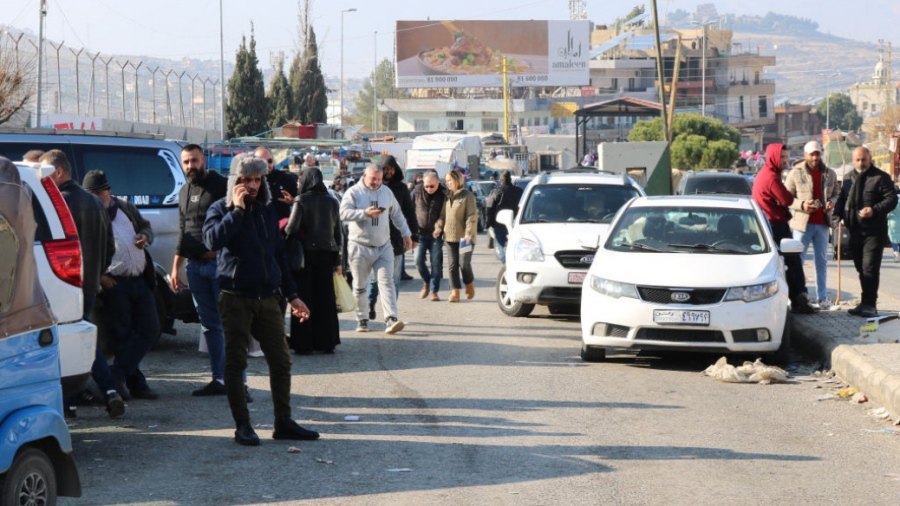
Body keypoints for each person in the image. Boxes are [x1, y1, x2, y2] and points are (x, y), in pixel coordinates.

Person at [203, 154, 318, 446]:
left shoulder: (267, 211)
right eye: (246, 180)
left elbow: (278, 256)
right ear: (235, 182)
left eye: (257, 179)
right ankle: (243, 424)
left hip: (268, 298)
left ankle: (283, 421)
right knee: (236, 361)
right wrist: (237, 212)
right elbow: (212, 241)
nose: (252, 185)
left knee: (281, 361)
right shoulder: (220, 209)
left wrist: (293, 296)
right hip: (235, 298)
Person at [39, 150, 120, 418]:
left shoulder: (55, 204)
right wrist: (97, 272)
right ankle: (106, 391)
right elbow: (110, 248)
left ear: (58, 172)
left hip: (62, 286)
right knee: (81, 340)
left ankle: (75, 399)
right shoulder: (96, 203)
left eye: (44, 171)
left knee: (70, 343)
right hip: (88, 286)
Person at [83, 170, 160, 402]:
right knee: (121, 335)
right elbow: (84, 253)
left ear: (109, 190)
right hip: (115, 283)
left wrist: (144, 237)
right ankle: (136, 384)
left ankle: (117, 375)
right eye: (93, 194)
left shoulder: (125, 207)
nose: (98, 197)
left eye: (101, 192)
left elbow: (146, 227)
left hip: (139, 279)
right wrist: (100, 277)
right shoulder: (89, 215)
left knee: (150, 329)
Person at [340, 163, 412, 334]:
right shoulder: (354, 192)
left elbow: (397, 214)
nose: (376, 182)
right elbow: (343, 213)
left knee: (387, 282)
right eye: (373, 179)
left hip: (383, 246)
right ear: (365, 176)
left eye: (379, 179)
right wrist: (364, 213)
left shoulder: (386, 192)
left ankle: (391, 319)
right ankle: (362, 319)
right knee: (359, 286)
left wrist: (406, 234)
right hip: (359, 247)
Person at [750, 143, 817, 314]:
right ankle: (799, 300)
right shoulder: (771, 177)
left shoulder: (765, 174)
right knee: (792, 264)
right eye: (782, 157)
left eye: (787, 157)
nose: (786, 161)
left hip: (767, 226)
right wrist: (802, 204)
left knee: (785, 264)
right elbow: (786, 199)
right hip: (776, 226)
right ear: (773, 157)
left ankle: (796, 299)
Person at [834, 146, 899, 317]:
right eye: (858, 160)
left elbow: (891, 199)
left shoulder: (880, 177)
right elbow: (842, 198)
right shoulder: (848, 178)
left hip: (874, 232)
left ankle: (870, 304)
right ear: (853, 160)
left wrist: (874, 210)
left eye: (864, 159)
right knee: (860, 267)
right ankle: (864, 302)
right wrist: (836, 214)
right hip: (855, 230)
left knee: (870, 267)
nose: (861, 163)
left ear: (870, 159)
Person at [284, 167, 343, 354]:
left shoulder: (301, 200)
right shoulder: (332, 202)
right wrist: (338, 260)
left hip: (305, 254)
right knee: (325, 299)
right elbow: (338, 233)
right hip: (327, 254)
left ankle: (303, 343)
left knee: (304, 297)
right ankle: (326, 342)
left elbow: (290, 229)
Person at [785, 141, 839, 309]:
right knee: (797, 262)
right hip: (802, 225)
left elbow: (837, 193)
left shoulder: (829, 173)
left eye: (817, 154)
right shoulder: (795, 173)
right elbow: (787, 198)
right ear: (805, 154)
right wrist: (802, 205)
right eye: (812, 154)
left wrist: (832, 202)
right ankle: (796, 296)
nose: (815, 157)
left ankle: (822, 298)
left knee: (821, 262)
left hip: (822, 223)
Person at [366, 156, 419, 318]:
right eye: (386, 169)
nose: (389, 172)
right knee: (374, 280)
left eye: (391, 169)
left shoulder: (402, 189)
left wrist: (414, 236)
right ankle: (370, 303)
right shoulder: (369, 188)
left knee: (394, 279)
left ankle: (391, 314)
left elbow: (410, 213)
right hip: (373, 240)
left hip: (396, 241)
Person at [434, 169, 478, 303]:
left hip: (465, 238)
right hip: (449, 237)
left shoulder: (467, 195)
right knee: (452, 265)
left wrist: (468, 234)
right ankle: (455, 292)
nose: (447, 183)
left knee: (464, 263)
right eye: (446, 181)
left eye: (449, 180)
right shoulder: (447, 197)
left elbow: (471, 216)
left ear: (457, 180)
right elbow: (442, 216)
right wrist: (438, 227)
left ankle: (469, 284)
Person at [413, 171, 447, 301]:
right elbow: (409, 209)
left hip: (436, 234)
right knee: (418, 260)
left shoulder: (444, 193)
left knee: (436, 263)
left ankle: (434, 290)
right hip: (420, 233)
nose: (428, 189)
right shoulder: (417, 191)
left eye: (432, 186)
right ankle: (426, 282)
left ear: (438, 182)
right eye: (426, 186)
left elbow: (447, 214)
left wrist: (440, 228)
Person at [485, 170, 524, 264]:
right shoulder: (519, 191)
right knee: (518, 249)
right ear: (510, 179)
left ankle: (507, 265)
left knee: (500, 249)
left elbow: (489, 209)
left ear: (501, 180)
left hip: (499, 225)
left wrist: (489, 223)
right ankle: (513, 264)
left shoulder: (495, 192)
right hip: (516, 225)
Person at [256, 146, 297, 220]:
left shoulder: (286, 179)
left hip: (281, 227)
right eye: (263, 162)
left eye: (270, 161)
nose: (268, 165)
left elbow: (299, 201)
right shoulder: (249, 182)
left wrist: (292, 202)